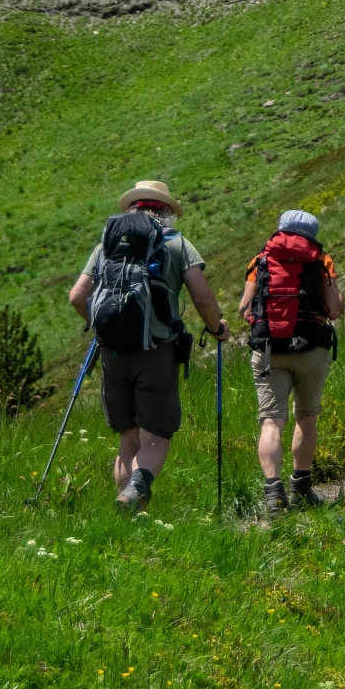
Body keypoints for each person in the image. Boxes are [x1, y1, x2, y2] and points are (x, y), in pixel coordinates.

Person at [68, 180, 227, 513]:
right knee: (156, 435)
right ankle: (136, 491)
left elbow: (77, 296)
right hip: (156, 350)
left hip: (112, 352)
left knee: (128, 437)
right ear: (165, 211)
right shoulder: (176, 243)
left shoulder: (106, 246)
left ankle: (127, 513)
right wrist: (217, 328)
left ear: (131, 208)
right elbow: (201, 295)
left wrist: (103, 328)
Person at [239, 208, 344, 514]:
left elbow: (245, 310)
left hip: (270, 349)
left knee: (271, 421)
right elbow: (333, 311)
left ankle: (273, 494)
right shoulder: (321, 260)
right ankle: (301, 486)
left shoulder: (260, 260)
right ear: (313, 233)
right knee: (306, 417)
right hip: (312, 348)